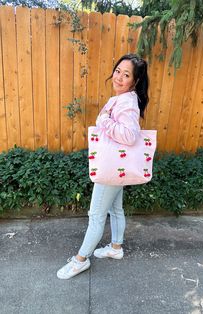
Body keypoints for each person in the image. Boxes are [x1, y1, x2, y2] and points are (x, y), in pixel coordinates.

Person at [57, 54, 149, 280]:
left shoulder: (127, 102)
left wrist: (103, 121)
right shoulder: (124, 98)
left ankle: (80, 260)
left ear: (134, 81)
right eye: (118, 71)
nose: (119, 77)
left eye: (126, 75)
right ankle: (115, 248)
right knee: (115, 209)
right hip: (117, 167)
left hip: (110, 169)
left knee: (96, 215)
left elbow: (129, 135)